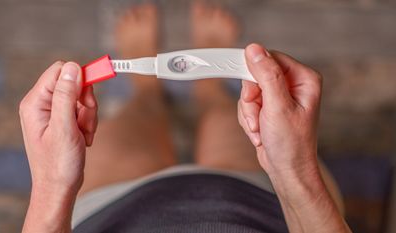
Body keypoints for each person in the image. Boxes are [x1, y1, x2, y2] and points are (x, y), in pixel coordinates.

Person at [19, 2, 351, 233]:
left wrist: (52, 188)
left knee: (137, 120)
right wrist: (294, 171)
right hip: (266, 200)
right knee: (228, 118)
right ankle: (208, 91)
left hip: (107, 209)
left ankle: (147, 92)